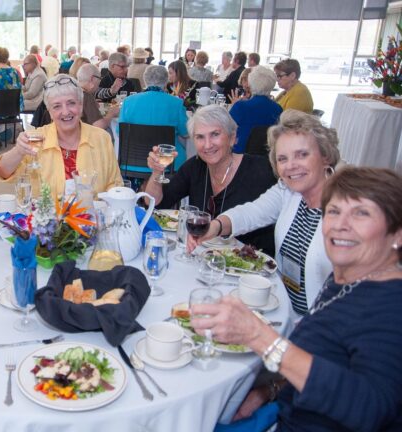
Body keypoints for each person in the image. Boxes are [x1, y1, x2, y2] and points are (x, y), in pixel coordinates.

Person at [193, 166, 402, 431]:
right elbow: (321, 359)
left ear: (397, 234)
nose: (341, 225)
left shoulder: (392, 305)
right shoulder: (345, 282)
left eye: (361, 213)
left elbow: (371, 409)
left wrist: (259, 336)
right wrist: (269, 390)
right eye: (334, 211)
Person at [188, 110, 341, 317]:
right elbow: (252, 212)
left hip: (321, 324)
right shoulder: (287, 191)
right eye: (283, 158)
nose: (291, 166)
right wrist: (215, 226)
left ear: (325, 156)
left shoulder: (345, 207)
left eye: (302, 154)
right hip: (281, 307)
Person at [143, 105, 276, 255]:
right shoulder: (195, 167)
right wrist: (156, 173)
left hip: (249, 266)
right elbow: (156, 204)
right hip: (203, 259)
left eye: (215, 134)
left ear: (232, 138)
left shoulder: (261, 170)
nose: (207, 145)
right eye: (200, 137)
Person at [0, 74, 123, 199]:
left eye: (71, 103)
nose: (65, 111)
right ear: (49, 112)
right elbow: (4, 172)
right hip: (46, 218)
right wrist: (18, 151)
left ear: (81, 106)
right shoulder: (35, 139)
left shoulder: (101, 138)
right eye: (57, 106)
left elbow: (114, 184)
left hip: (90, 217)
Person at [119, 65, 189, 169]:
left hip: (133, 163)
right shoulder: (176, 103)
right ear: (166, 81)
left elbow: (120, 132)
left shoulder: (128, 102)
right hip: (168, 163)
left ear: (145, 80)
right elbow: (186, 133)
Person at [230, 67, 283, 153]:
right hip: (267, 157)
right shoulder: (278, 109)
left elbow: (225, 130)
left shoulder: (240, 106)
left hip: (240, 155)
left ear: (250, 84)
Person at [77, 64, 120, 129]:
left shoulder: (75, 91)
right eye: (99, 78)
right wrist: (111, 114)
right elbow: (99, 126)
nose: (100, 82)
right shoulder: (86, 96)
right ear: (92, 78)